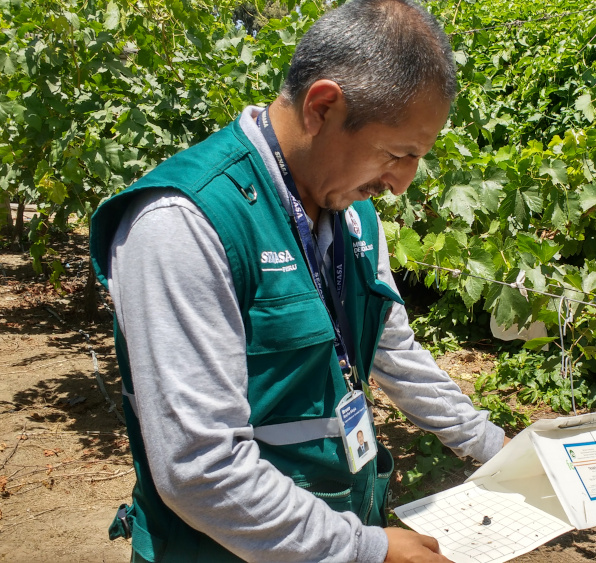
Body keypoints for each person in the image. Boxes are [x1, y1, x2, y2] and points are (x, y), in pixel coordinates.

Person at [89, 0, 507, 561]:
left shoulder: (354, 215)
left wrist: (500, 451)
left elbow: (393, 350)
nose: (402, 183)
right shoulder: (183, 225)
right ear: (323, 106)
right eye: (397, 153)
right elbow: (200, 469)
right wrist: (366, 551)